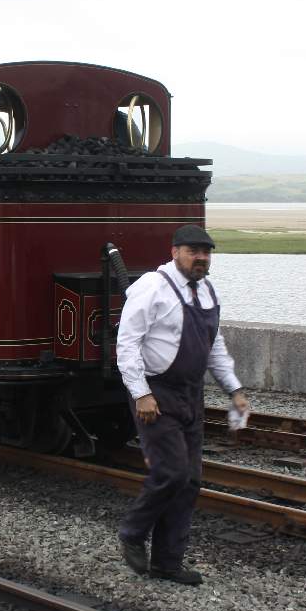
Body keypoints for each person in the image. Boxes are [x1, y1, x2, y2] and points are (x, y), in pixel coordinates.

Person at [115, 224, 249, 585]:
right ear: (175, 252)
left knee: (189, 483)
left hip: (191, 394)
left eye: (206, 253)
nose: (201, 258)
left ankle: (167, 563)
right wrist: (141, 393)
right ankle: (131, 532)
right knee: (171, 472)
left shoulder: (206, 291)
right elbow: (127, 345)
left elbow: (213, 346)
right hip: (155, 394)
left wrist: (233, 389)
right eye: (193, 251)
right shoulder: (151, 288)